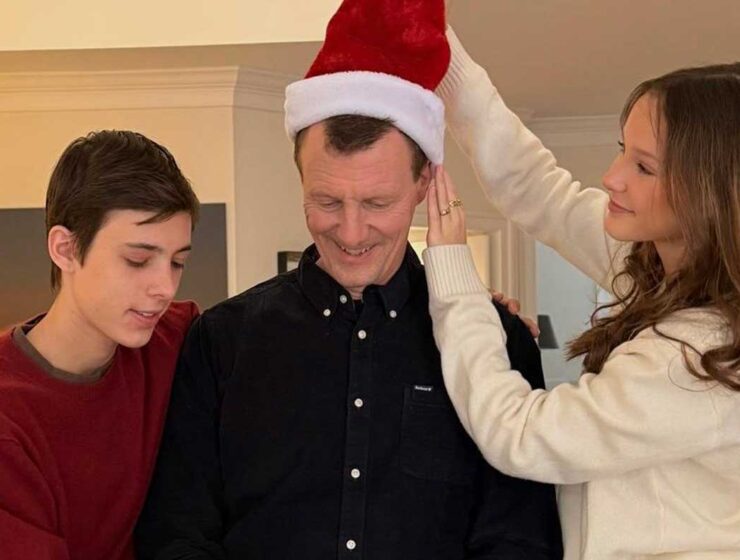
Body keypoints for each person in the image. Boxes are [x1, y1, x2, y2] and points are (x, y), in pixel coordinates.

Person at [135, 1, 563, 558]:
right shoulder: (221, 342)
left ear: (425, 184)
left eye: (377, 203)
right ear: (300, 180)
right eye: (327, 201)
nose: (352, 232)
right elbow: (176, 533)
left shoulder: (498, 343)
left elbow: (520, 537)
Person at [421, 26, 740, 559]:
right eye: (623, 151)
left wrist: (455, 277)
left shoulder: (700, 355)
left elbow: (519, 435)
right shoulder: (657, 265)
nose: (612, 177)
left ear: (709, 192)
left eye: (643, 167)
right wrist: (441, 51)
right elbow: (541, 192)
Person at [0, 129, 200, 560]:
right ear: (65, 249)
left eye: (177, 262)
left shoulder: (177, 339)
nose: (165, 288)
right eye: (137, 260)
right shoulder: (8, 419)